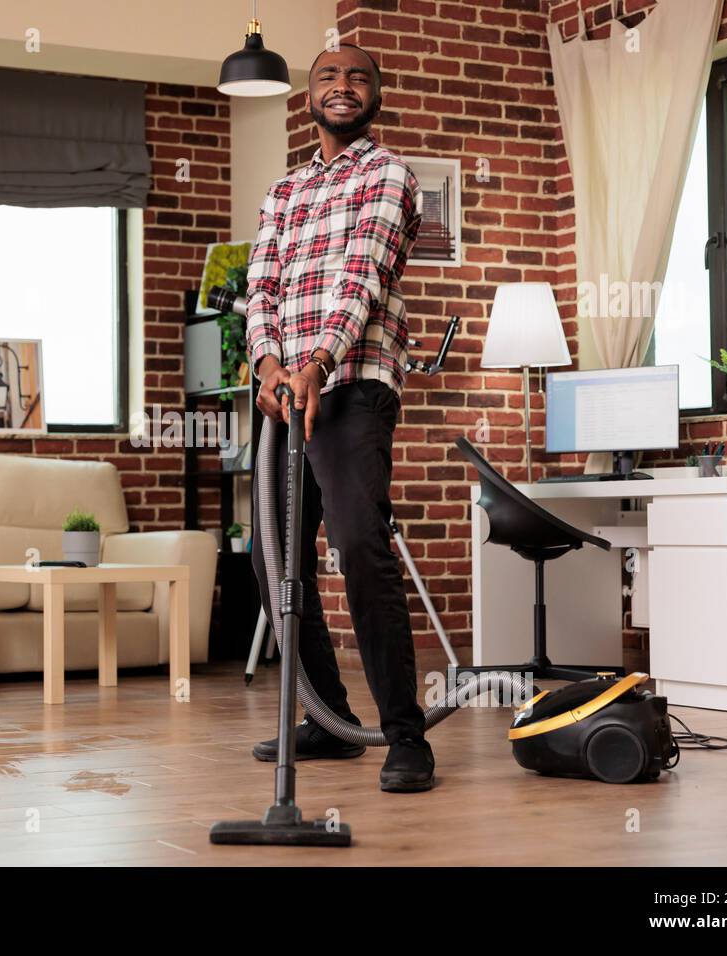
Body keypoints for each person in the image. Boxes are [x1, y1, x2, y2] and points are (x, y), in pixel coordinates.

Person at [246, 44, 431, 792]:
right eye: (328, 77)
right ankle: (327, 722)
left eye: (358, 77)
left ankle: (404, 736)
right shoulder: (283, 192)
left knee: (359, 545)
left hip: (353, 384)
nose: (343, 87)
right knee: (273, 560)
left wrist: (317, 363)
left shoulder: (388, 176)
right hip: (285, 391)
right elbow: (258, 285)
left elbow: (363, 276)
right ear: (309, 96)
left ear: (376, 95)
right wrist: (268, 365)